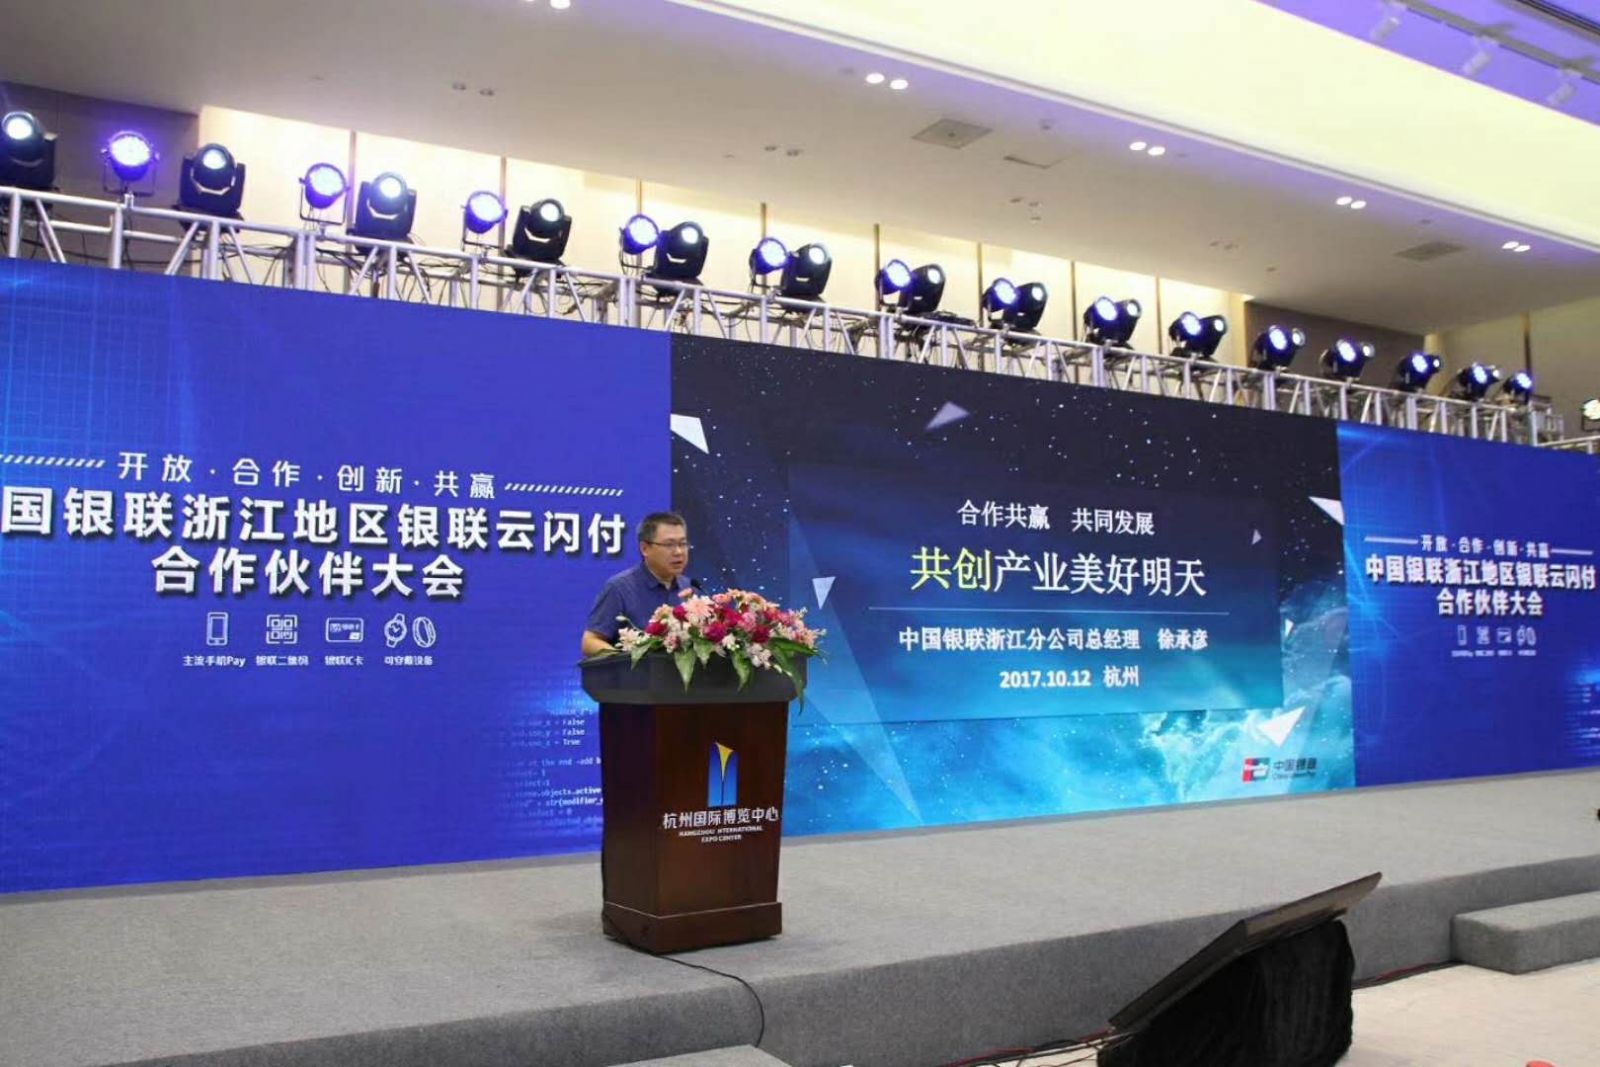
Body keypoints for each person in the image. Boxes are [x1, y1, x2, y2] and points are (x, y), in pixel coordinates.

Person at [580, 511, 693, 657]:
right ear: (645, 548)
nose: (678, 552)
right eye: (669, 545)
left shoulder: (690, 588)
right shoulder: (619, 588)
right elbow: (590, 642)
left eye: (682, 544)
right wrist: (629, 660)